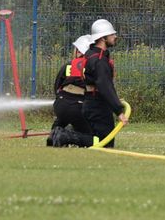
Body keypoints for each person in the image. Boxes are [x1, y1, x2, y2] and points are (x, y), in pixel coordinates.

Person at [49, 18, 124, 147]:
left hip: (89, 102)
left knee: (97, 138)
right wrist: (118, 109)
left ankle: (68, 134)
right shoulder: (99, 60)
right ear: (102, 38)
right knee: (104, 143)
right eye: (112, 34)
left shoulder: (91, 55)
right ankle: (65, 136)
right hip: (98, 105)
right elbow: (105, 86)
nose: (115, 37)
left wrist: (114, 100)